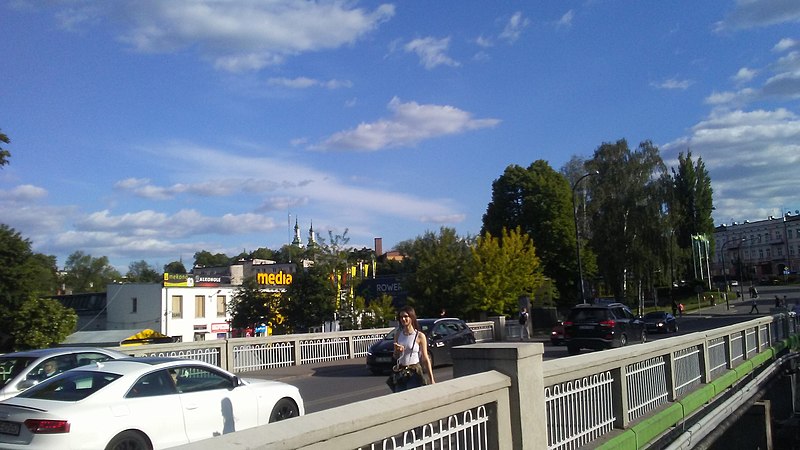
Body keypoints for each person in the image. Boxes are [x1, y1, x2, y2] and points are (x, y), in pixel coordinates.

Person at [391, 306, 435, 391]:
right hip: (401, 371)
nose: (403, 319)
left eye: (406, 316)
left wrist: (431, 378)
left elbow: (425, 358)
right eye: (401, 317)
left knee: (412, 395)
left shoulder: (419, 336)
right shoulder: (398, 334)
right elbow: (395, 356)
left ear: (411, 317)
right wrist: (397, 351)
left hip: (414, 372)